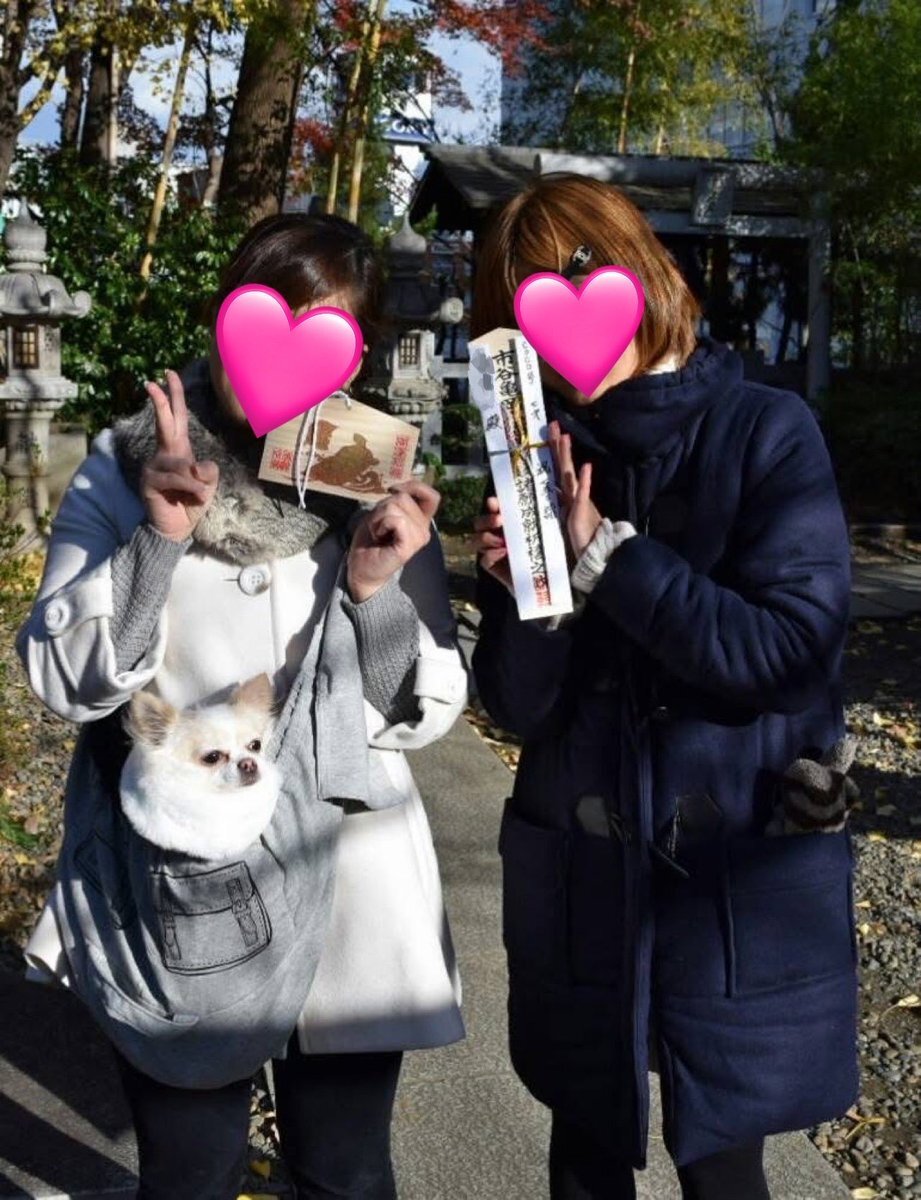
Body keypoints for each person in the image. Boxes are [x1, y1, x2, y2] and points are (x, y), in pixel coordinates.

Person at [17, 212, 468, 1200]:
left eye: (329, 331)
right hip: (172, 884)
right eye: (266, 316)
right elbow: (62, 678)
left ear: (356, 353)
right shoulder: (129, 464)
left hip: (347, 874)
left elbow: (423, 712)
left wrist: (376, 592)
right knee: (189, 1173)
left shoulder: (375, 479)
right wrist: (156, 543)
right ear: (224, 318)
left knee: (345, 1172)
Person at [470, 173, 858, 1200]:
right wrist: (529, 597)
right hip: (578, 875)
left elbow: (791, 649)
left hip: (729, 873)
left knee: (723, 1163)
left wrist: (609, 558)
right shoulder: (542, 455)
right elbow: (516, 710)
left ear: (639, 281)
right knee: (583, 1148)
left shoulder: (765, 429)